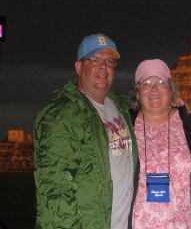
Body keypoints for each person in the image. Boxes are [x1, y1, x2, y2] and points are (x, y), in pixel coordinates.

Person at [34, 33, 139, 229]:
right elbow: (55, 192)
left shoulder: (122, 108)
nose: (103, 66)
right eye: (94, 60)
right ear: (79, 67)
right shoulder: (63, 116)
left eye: (109, 61)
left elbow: (154, 109)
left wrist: (176, 106)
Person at [130, 59, 191, 229]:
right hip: (138, 223)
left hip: (185, 223)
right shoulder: (125, 126)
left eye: (161, 82)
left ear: (171, 90)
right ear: (137, 92)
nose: (154, 88)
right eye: (146, 83)